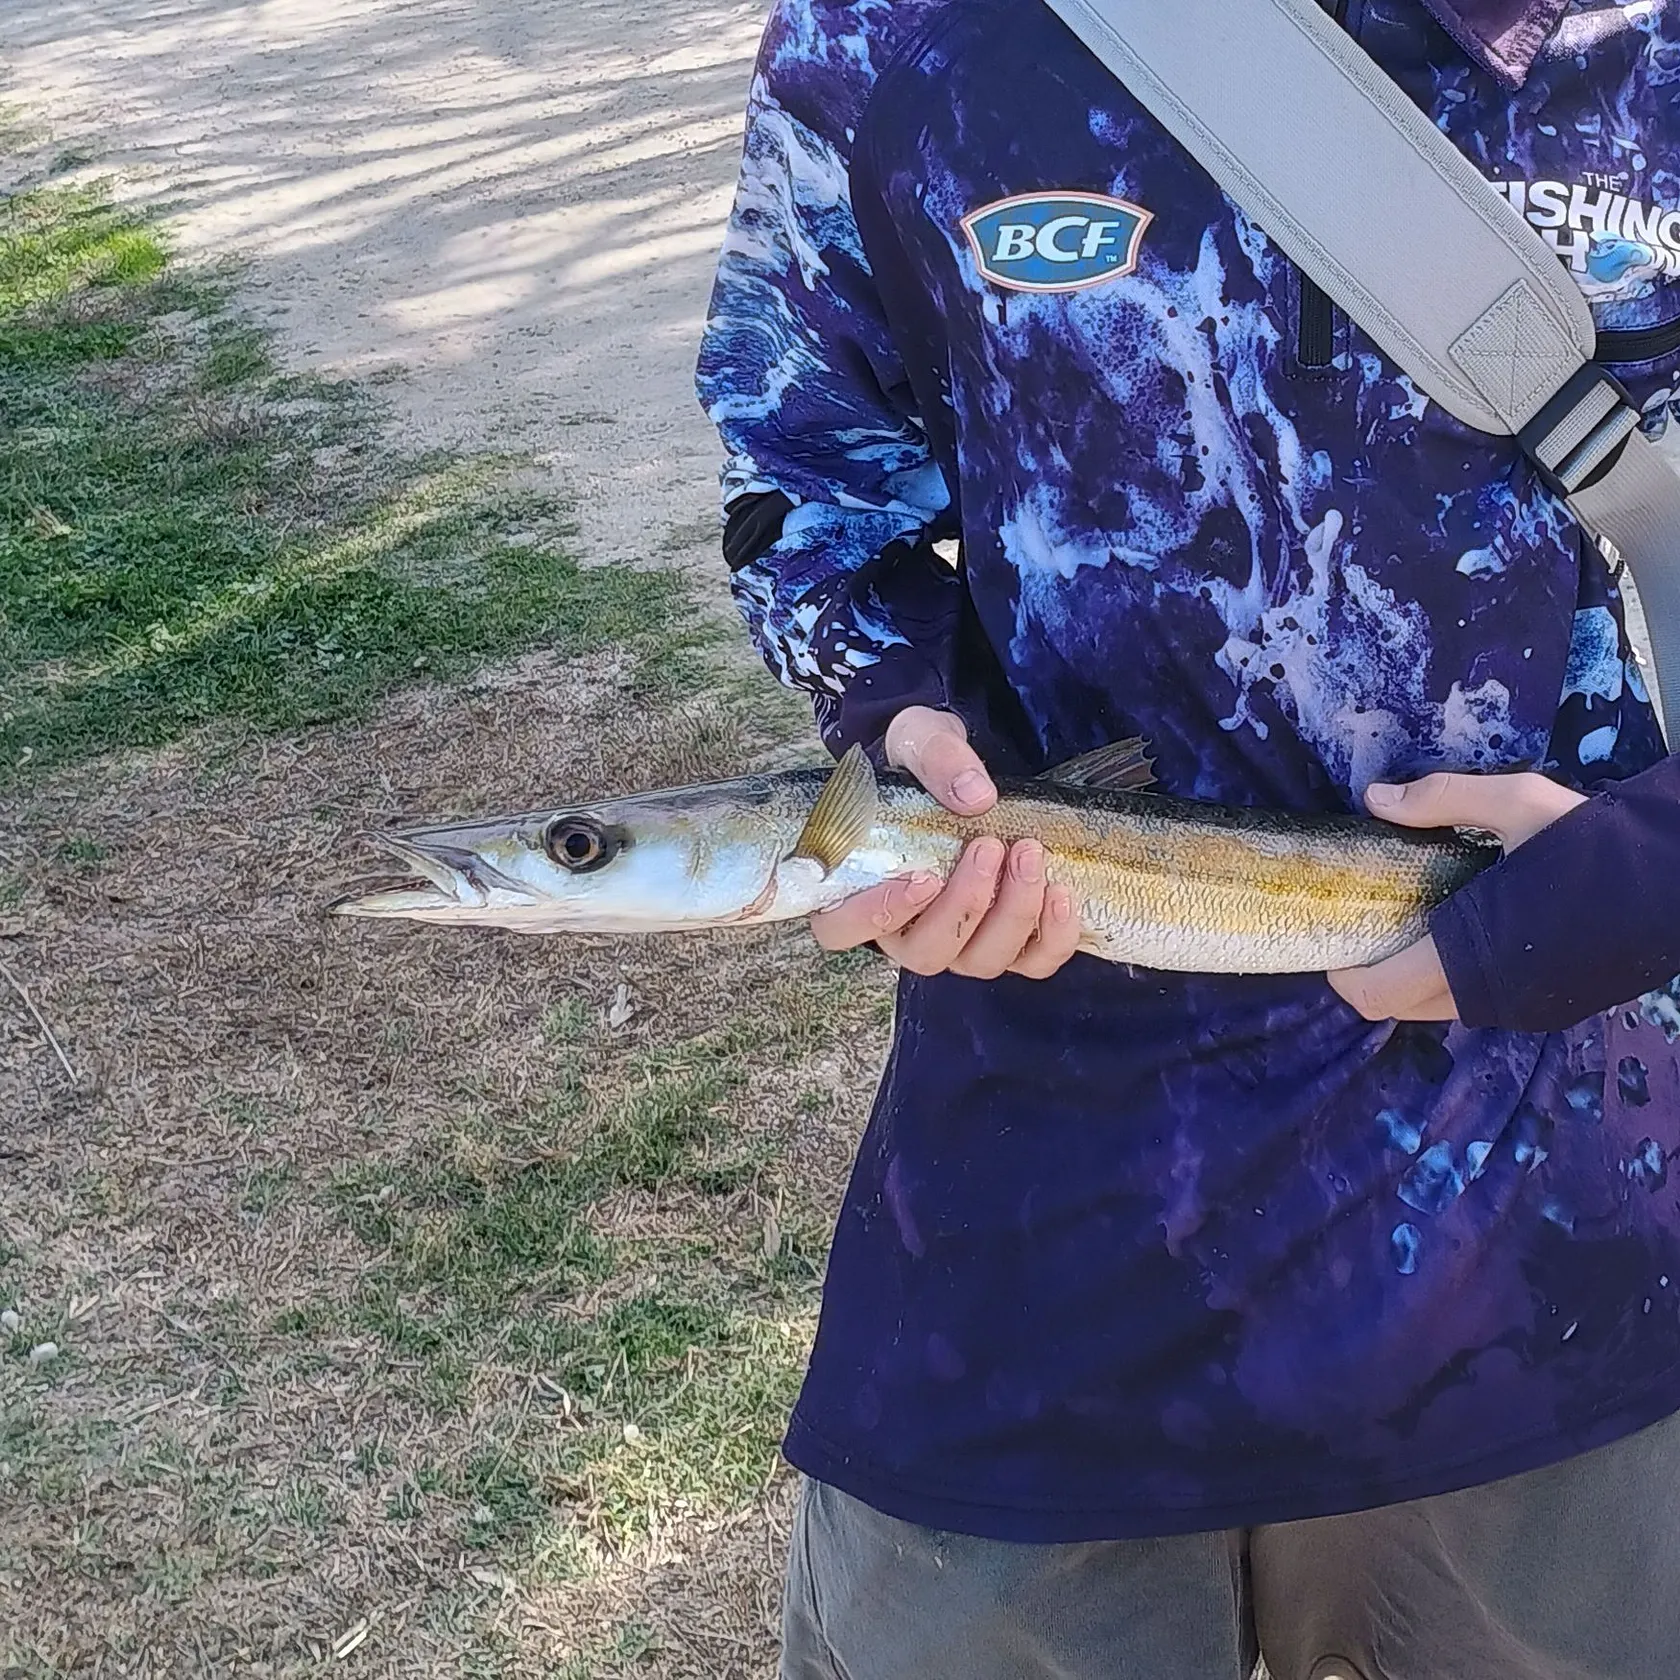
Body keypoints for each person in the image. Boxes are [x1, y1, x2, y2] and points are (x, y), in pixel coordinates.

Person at [696, 2, 1680, 1675]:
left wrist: (1663, 859)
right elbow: (801, 458)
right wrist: (892, 713)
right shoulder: (900, 32)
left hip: (1554, 1203)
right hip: (1051, 1195)